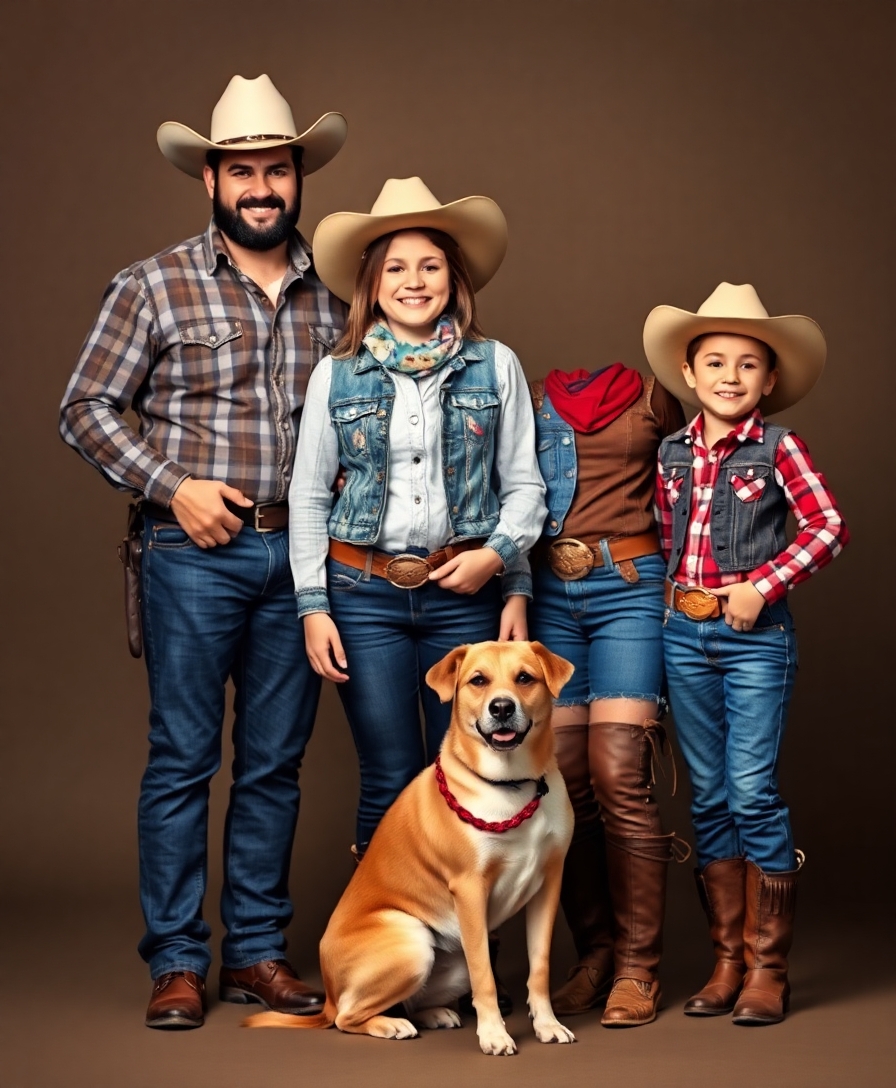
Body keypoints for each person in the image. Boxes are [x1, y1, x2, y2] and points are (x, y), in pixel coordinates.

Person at [59, 74, 349, 1029]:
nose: (261, 188)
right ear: (211, 180)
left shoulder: (338, 294)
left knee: (274, 763)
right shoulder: (152, 284)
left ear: (298, 178)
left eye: (278, 170)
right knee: (182, 758)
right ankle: (178, 961)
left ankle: (257, 953)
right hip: (189, 554)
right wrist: (171, 485)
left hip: (299, 559)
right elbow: (85, 408)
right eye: (242, 172)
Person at [288, 177, 546, 861]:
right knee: (390, 773)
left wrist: (500, 562)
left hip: (463, 596)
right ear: (372, 285)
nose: (413, 281)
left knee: (469, 771)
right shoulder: (337, 374)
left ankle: (464, 925)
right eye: (396, 268)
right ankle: (388, 921)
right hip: (362, 595)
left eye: (429, 266)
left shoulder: (495, 365)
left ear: (453, 279)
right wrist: (313, 606)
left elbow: (523, 487)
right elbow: (309, 497)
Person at [645, 282, 849, 1025]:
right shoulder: (671, 450)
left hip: (755, 641)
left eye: (748, 364)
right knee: (707, 796)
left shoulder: (778, 447)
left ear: (769, 380)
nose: (730, 377)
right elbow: (663, 540)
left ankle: (769, 968)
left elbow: (827, 527)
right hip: (683, 634)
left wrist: (763, 585)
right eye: (715, 362)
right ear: (688, 373)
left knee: (751, 791)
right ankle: (726, 959)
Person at [528, 364, 689, 1027]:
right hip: (548, 593)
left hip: (630, 584)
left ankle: (637, 968)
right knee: (564, 782)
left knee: (619, 772)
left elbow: (687, 485)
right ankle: (595, 956)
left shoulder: (655, 397)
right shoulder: (530, 398)